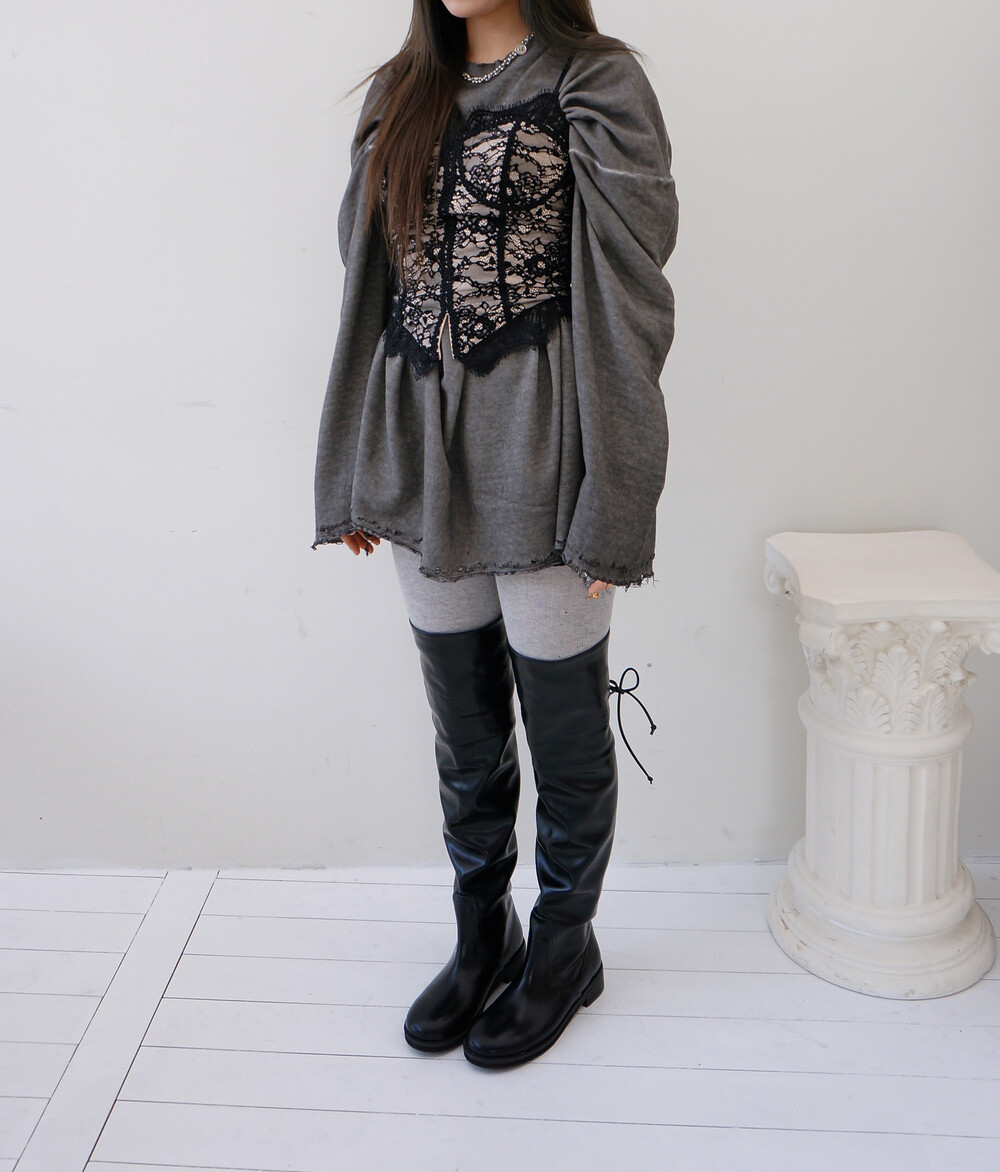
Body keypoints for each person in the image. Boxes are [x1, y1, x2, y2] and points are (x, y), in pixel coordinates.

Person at [313, 0, 677, 1068]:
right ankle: (485, 934)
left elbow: (631, 300)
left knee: (563, 723)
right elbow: (372, 290)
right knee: (464, 732)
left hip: (541, 442)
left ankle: (564, 946)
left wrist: (617, 493)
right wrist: (362, 469)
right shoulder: (399, 92)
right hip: (420, 448)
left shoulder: (593, 83)